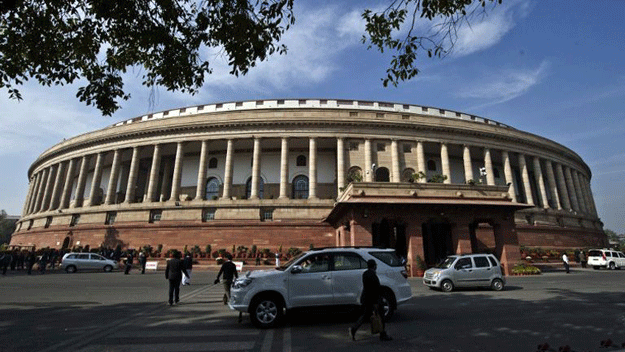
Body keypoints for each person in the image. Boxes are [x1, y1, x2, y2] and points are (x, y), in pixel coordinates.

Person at [349, 259, 392, 341]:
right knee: (381, 316)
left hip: (366, 298)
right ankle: (383, 334)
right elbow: (375, 289)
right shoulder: (373, 275)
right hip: (374, 299)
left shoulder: (365, 274)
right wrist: (377, 302)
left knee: (365, 315)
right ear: (374, 266)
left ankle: (354, 328)